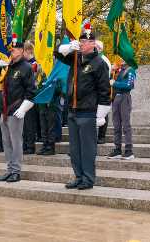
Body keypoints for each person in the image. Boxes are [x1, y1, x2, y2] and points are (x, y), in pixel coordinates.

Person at [55, 25, 111, 190]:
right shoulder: (75, 58)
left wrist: (101, 115)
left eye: (87, 41)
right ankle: (78, 176)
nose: (83, 44)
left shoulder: (99, 63)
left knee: (87, 149)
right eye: (81, 41)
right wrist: (67, 47)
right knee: (74, 148)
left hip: (88, 111)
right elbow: (56, 54)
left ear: (94, 43)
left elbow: (105, 90)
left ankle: (88, 178)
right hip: (73, 110)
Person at [0, 40, 36, 183]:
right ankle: (9, 169)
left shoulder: (26, 67)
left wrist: (24, 108)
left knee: (16, 142)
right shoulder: (8, 66)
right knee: (6, 141)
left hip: (16, 109)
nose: (13, 51)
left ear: (22, 50)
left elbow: (31, 91)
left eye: (16, 49)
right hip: (4, 110)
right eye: (11, 49)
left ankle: (16, 171)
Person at [107, 59, 136, 161]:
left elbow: (129, 85)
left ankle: (129, 150)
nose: (121, 59)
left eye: (123, 57)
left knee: (126, 125)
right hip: (116, 98)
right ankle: (117, 149)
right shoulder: (118, 70)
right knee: (116, 125)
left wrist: (115, 83)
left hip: (125, 97)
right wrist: (112, 72)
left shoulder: (130, 70)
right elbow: (109, 82)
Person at [95, 40, 111, 145]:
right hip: (93, 90)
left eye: (95, 46)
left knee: (102, 113)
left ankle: (101, 136)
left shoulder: (103, 60)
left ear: (99, 48)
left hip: (101, 90)